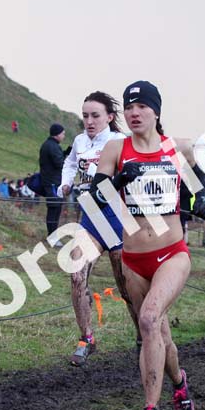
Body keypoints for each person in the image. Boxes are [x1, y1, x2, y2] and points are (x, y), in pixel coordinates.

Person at [90, 80, 205, 410]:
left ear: (156, 111)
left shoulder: (177, 148)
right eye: (129, 107)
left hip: (172, 254)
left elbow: (198, 190)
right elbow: (95, 197)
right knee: (158, 333)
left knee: (147, 319)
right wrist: (115, 183)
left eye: (142, 106)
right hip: (133, 259)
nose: (134, 113)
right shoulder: (116, 149)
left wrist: (201, 203)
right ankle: (179, 382)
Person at [57, 91, 139, 366]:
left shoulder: (120, 141)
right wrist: (65, 183)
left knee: (127, 289)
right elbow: (70, 163)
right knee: (76, 275)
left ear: (109, 117)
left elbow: (134, 173)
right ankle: (87, 339)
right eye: (85, 116)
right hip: (91, 216)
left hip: (118, 219)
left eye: (95, 116)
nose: (89, 121)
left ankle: (144, 337)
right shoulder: (80, 141)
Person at [39, 123, 66, 240]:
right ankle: (52, 237)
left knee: (54, 208)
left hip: (51, 181)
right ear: (57, 134)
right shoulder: (53, 146)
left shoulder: (48, 145)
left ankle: (52, 236)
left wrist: (65, 153)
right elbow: (59, 163)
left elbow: (56, 159)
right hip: (53, 183)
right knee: (54, 209)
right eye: (63, 133)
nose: (64, 136)